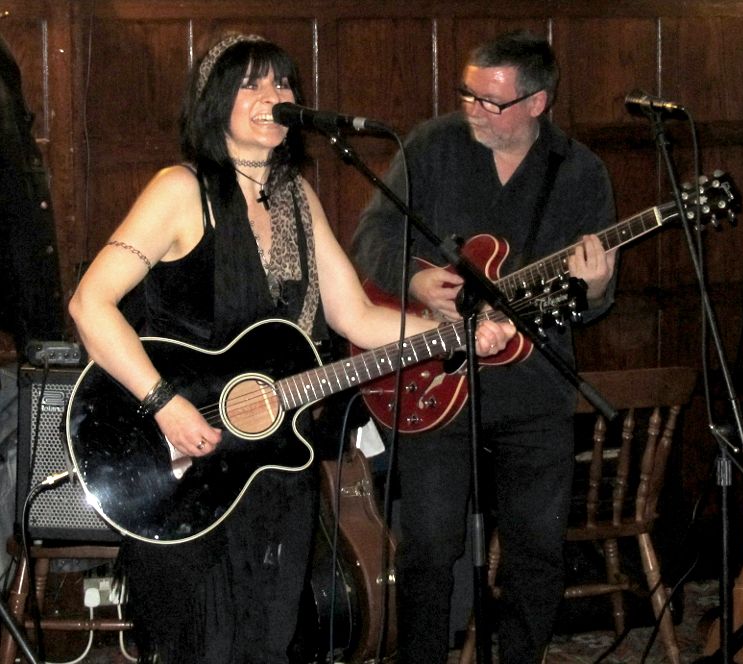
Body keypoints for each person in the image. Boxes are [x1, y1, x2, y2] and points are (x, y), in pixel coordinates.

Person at [68, 34, 514, 664]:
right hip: (177, 463)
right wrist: (165, 403)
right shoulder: (178, 190)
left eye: (281, 84)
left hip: (273, 471)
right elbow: (90, 304)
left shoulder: (298, 198)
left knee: (270, 641)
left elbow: (355, 316)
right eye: (250, 84)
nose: (272, 97)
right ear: (214, 101)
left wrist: (458, 335)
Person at [350, 29, 618, 663]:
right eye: (469, 93)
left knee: (536, 549)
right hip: (432, 378)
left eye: (492, 102)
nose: (473, 109)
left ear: (537, 103)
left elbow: (593, 301)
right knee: (428, 548)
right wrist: (415, 279)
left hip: (533, 389)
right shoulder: (431, 146)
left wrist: (599, 285)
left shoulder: (579, 172)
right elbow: (371, 239)